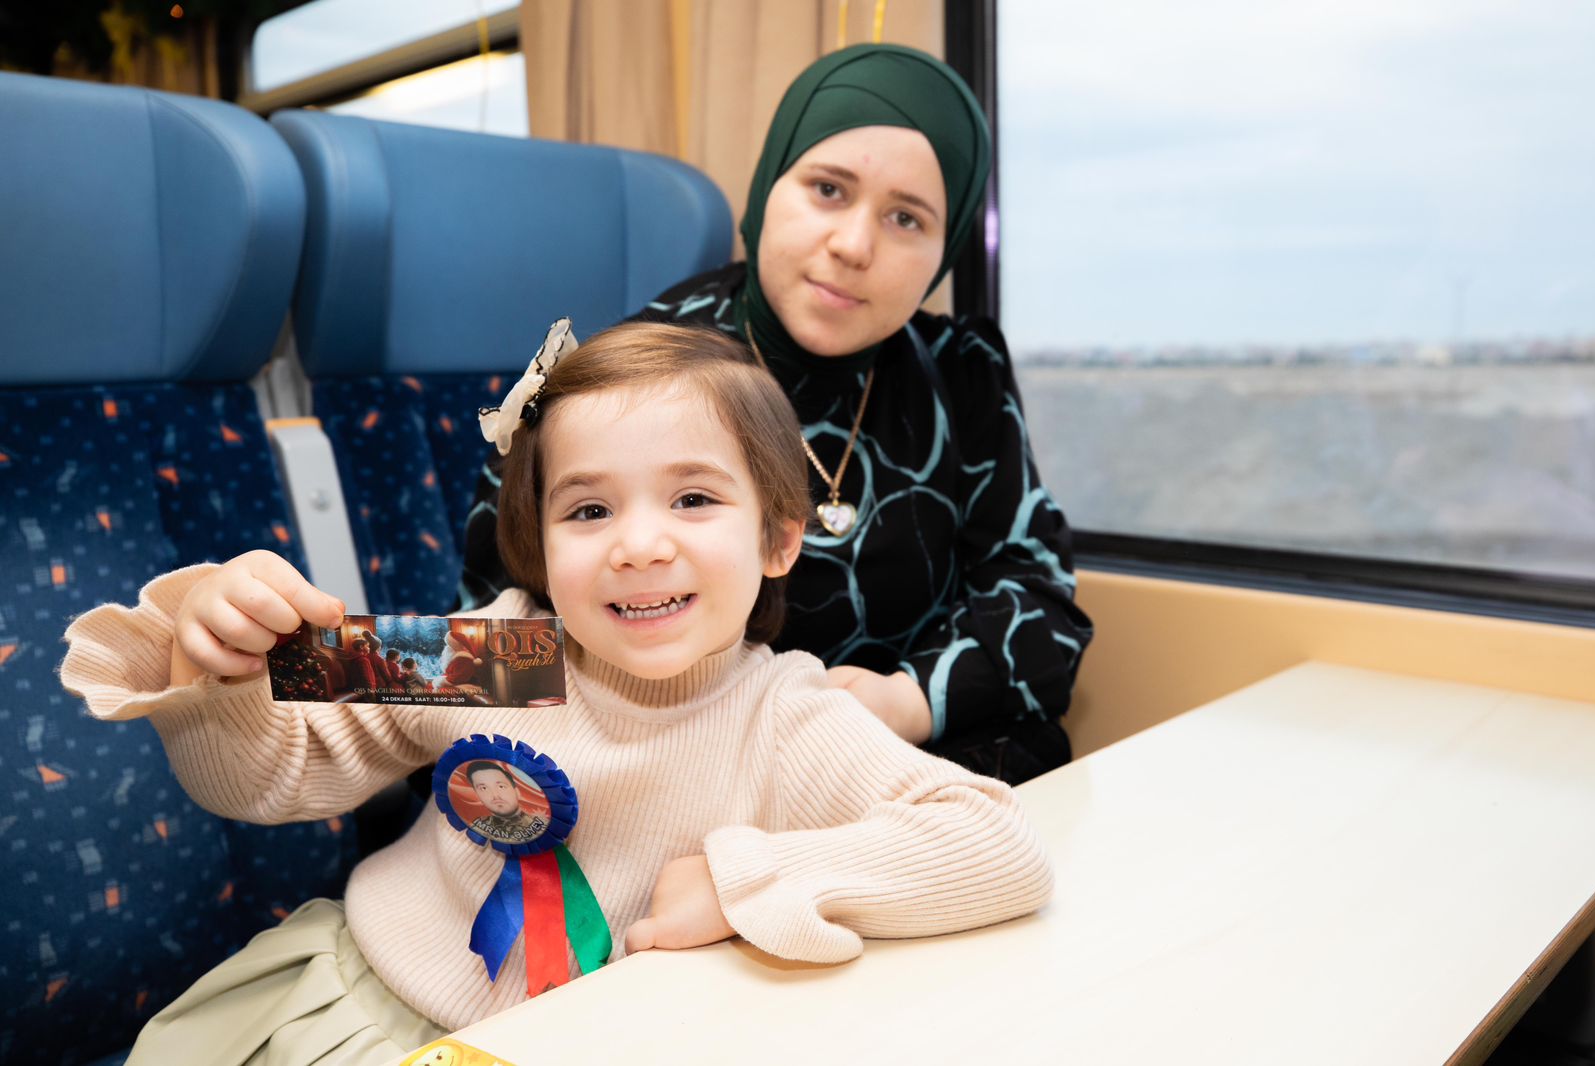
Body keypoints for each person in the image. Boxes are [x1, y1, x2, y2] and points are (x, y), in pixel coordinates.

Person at [60, 321, 1053, 1066]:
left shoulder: (784, 716)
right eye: (589, 509)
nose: (638, 543)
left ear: (778, 538)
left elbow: (998, 845)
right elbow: (267, 777)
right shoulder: (500, 648)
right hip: (354, 1011)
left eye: (693, 498)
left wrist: (745, 879)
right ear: (540, 543)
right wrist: (225, 671)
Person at [457, 44, 1093, 785]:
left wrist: (906, 701)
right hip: (681, 774)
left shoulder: (963, 369)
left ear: (943, 254)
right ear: (766, 190)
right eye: (828, 189)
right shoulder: (637, 377)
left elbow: (1039, 601)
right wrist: (325, 663)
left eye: (906, 218)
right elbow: (478, 654)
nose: (854, 245)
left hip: (918, 761)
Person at [464, 761, 547, 844]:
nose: (495, 796)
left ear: (517, 791)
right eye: (484, 788)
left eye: (501, 786)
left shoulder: (542, 827)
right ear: (478, 795)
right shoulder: (477, 830)